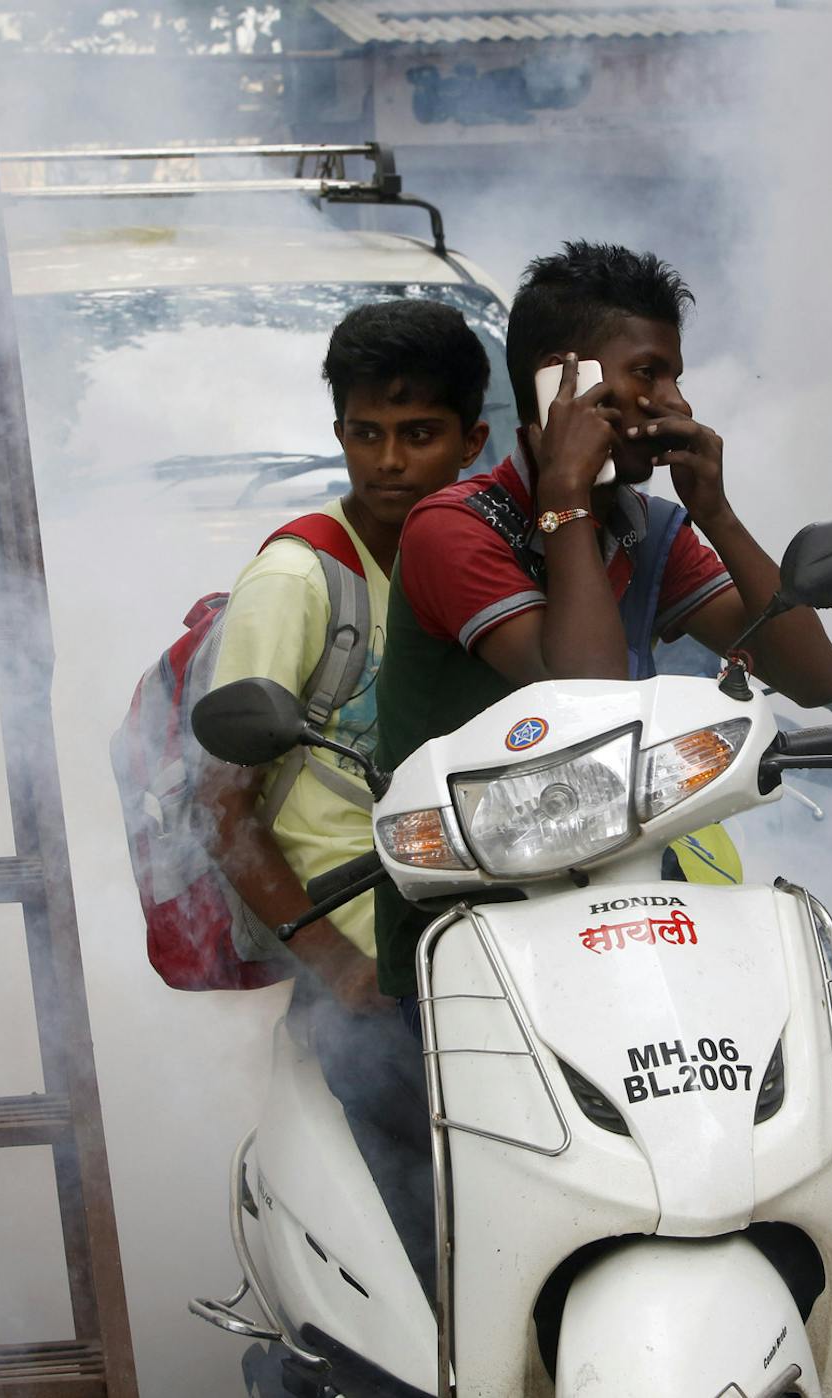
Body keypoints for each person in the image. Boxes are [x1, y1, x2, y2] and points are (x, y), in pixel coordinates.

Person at [344, 241, 832, 1288]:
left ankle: (796, 1279)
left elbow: (816, 675)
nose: (671, 399)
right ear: (558, 388)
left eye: (672, 373)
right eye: (646, 373)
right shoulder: (453, 529)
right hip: (476, 932)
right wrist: (564, 494)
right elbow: (585, 705)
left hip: (620, 917)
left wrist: (716, 510)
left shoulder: (646, 528)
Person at [199, 299, 490, 1019]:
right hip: (368, 956)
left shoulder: (483, 559)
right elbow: (222, 810)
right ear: (340, 436)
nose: (388, 462)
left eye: (418, 435)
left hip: (475, 920)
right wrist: (340, 967)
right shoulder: (297, 581)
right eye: (366, 435)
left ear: (471, 441)